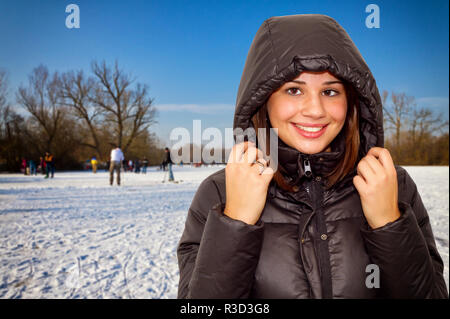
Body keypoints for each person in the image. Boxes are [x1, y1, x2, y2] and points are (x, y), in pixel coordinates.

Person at [176, 14, 448, 299]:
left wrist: (389, 224)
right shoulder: (219, 193)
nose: (315, 110)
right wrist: (237, 222)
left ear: (351, 101)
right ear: (263, 100)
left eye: (330, 91)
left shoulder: (395, 185)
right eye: (294, 90)